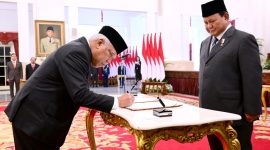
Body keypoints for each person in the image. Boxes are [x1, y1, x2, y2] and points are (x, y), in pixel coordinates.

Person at [5, 26, 134, 149]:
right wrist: (117, 102)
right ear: (99, 43)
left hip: (41, 121)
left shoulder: (82, 52)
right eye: (110, 54)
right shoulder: (76, 52)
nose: (109, 61)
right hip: (33, 121)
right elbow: (80, 95)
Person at [199, 1, 262, 150]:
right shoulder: (204, 43)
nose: (209, 26)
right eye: (206, 22)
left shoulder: (243, 40)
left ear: (226, 16)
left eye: (212, 21)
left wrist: (252, 110)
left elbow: (252, 78)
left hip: (234, 113)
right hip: (209, 113)